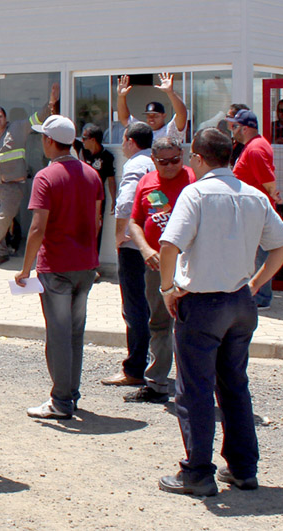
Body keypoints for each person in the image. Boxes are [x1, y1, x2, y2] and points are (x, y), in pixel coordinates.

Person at [156, 127, 283, 497]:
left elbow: (169, 245)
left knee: (195, 390)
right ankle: (243, 468)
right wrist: (256, 281)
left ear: (199, 158)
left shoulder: (196, 193)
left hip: (202, 303)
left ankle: (198, 472)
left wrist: (167, 289)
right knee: (234, 384)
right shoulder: (252, 195)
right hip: (240, 300)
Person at [14, 115, 104, 419]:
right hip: (85, 266)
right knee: (75, 333)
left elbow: (37, 227)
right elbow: (96, 221)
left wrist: (26, 269)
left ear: (49, 141)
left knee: (58, 334)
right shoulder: (92, 174)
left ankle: (61, 400)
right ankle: (70, 394)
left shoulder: (45, 177)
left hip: (57, 268)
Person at [124, 137, 196, 404]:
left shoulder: (194, 180)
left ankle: (193, 385)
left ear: (183, 156)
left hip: (189, 263)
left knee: (191, 324)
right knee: (159, 322)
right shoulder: (147, 182)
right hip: (156, 265)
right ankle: (156, 383)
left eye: (175, 160)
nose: (170, 167)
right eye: (163, 162)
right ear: (154, 160)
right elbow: (135, 222)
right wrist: (144, 249)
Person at [0, 84, 61, 268]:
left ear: (5, 118)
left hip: (13, 184)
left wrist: (51, 103)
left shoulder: (18, 128)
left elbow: (38, 118)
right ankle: (0, 254)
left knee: (4, 218)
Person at [101, 122, 155, 388]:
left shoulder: (135, 165)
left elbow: (124, 203)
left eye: (123, 140)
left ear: (131, 141)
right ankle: (153, 363)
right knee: (151, 307)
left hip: (134, 246)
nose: (121, 145)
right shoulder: (156, 162)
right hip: (155, 244)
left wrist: (119, 237)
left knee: (133, 308)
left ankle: (134, 368)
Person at [228, 109, 282, 309]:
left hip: (255, 212)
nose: (231, 130)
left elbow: (268, 181)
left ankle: (260, 298)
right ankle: (258, 295)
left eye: (234, 126)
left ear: (244, 128)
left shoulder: (255, 148)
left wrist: (272, 193)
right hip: (251, 211)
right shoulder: (252, 146)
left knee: (259, 255)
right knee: (255, 254)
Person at [117, 73, 189, 144]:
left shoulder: (170, 130)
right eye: (148, 116)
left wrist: (170, 93)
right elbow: (125, 119)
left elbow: (181, 114)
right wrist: (121, 96)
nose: (151, 119)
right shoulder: (141, 131)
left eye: (155, 116)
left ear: (164, 116)